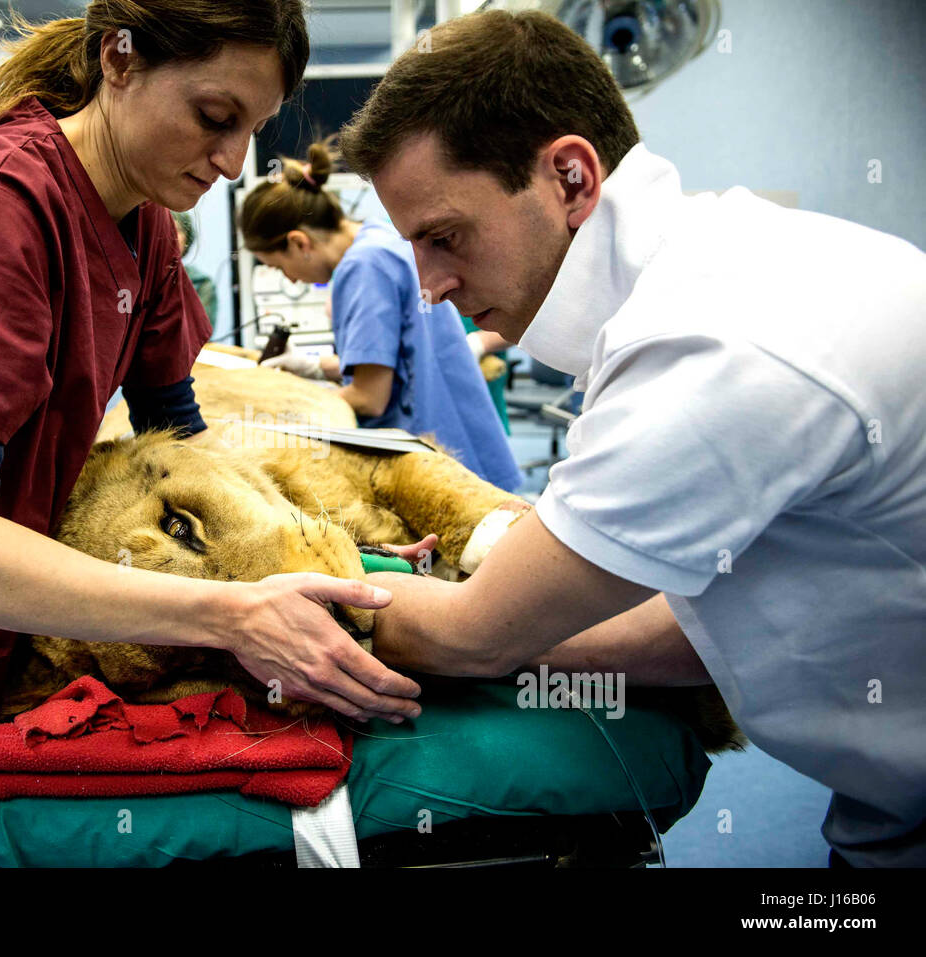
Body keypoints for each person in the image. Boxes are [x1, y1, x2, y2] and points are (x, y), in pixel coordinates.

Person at [0, 2, 424, 869]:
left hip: (18, 663)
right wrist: (231, 612)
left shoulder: (144, 222)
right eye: (214, 119)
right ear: (119, 58)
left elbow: (181, 449)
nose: (233, 165)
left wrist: (335, 549)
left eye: (254, 131)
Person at [339, 9, 926, 866]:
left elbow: (475, 635)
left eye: (445, 237)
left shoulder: (706, 342)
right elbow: (700, 627)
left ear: (571, 179)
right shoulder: (730, 263)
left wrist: (334, 600)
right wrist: (514, 594)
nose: (428, 289)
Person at [240, 140, 524, 491]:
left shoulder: (364, 267)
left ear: (299, 243)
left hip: (438, 466)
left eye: (280, 266)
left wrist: (283, 412)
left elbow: (369, 399)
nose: (291, 279)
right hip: (466, 448)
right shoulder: (380, 239)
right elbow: (394, 362)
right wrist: (314, 367)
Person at [171, 210, 218, 322]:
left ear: (187, 238)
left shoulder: (201, 282)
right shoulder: (140, 280)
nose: (171, 236)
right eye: (165, 229)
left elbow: (201, 331)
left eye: (177, 230)